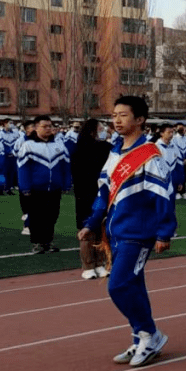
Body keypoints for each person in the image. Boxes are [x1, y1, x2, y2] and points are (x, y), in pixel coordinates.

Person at [77, 96, 177, 368]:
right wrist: (92, 222)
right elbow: (104, 191)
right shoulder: (116, 151)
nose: (116, 120)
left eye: (123, 115)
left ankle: (150, 334)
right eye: (114, 115)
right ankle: (140, 338)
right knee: (133, 286)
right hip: (116, 229)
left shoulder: (150, 154)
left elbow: (163, 196)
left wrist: (164, 232)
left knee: (118, 285)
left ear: (140, 120)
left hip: (139, 232)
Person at [17, 115, 72, 255]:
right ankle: (37, 243)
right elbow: (23, 168)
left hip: (55, 188)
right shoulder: (28, 145)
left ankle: (48, 242)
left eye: (50, 126)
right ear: (36, 128)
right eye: (44, 126)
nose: (48, 129)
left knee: (52, 215)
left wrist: (66, 184)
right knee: (36, 216)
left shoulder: (59, 145)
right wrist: (25, 187)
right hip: (36, 189)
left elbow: (66, 167)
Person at [72, 119, 113, 279]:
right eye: (101, 128)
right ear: (92, 131)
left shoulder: (106, 148)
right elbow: (77, 174)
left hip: (103, 192)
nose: (104, 131)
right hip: (86, 193)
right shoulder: (79, 149)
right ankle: (88, 265)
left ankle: (99, 263)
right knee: (87, 228)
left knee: (101, 229)